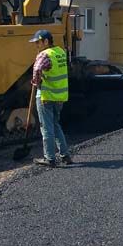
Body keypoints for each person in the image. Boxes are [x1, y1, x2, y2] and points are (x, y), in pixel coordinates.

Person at [29, 29, 71, 167]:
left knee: (46, 127)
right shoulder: (60, 52)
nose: (36, 46)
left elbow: (36, 70)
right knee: (55, 125)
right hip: (60, 97)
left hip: (46, 96)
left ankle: (49, 158)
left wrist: (36, 82)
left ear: (46, 41)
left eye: (38, 42)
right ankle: (65, 155)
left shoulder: (44, 55)